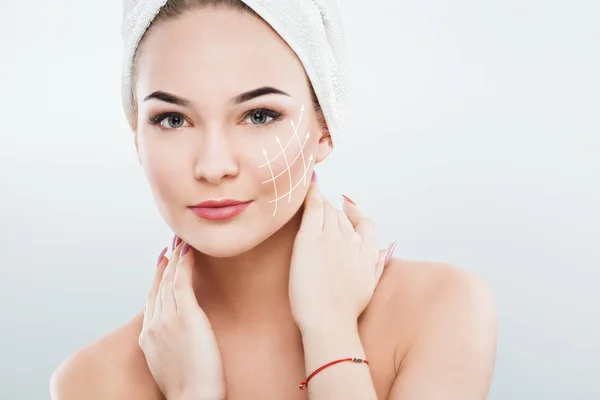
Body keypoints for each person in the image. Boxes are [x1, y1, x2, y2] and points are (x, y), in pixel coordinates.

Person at [50, 0, 498, 398]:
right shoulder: (91, 383)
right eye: (171, 120)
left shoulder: (441, 310)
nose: (213, 166)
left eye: (259, 115)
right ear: (136, 140)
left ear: (324, 127)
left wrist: (330, 333)